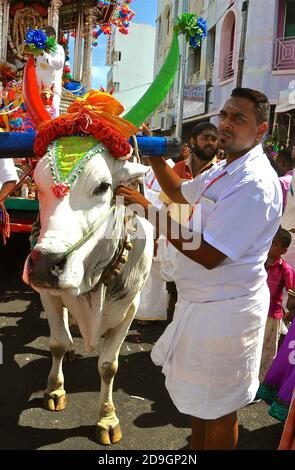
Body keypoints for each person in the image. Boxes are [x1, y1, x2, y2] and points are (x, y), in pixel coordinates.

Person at [116, 88, 282, 450]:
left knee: (220, 409)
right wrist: (157, 154)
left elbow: (209, 254)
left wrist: (146, 210)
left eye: (239, 118)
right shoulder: (226, 168)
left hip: (228, 312)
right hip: (200, 307)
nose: (225, 124)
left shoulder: (255, 182)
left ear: (261, 129)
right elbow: (180, 194)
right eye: (224, 115)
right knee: (199, 404)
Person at [259, 228, 294, 381]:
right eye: (270, 241)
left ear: (284, 250)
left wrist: (290, 312)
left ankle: (261, 385)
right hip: (256, 312)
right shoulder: (259, 261)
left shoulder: (285, 269)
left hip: (272, 316)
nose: (270, 246)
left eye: (274, 244)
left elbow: (292, 293)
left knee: (267, 352)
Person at [36, 26, 65, 117]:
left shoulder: (58, 48)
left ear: (52, 36)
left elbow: (59, 64)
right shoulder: (41, 51)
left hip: (52, 91)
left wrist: (45, 56)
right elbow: (39, 68)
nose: (42, 38)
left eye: (45, 35)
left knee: (51, 117)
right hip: (39, 90)